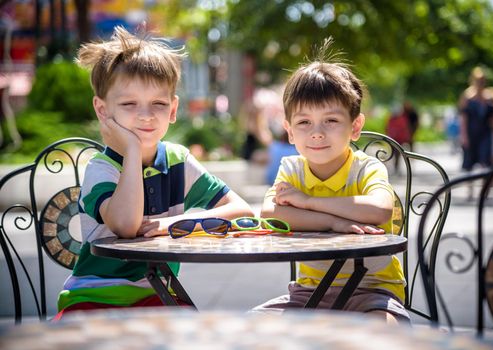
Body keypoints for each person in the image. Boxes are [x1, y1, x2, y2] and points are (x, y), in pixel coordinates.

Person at [55, 26, 254, 319]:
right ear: (102, 110)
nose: (146, 115)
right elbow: (125, 224)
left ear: (173, 109)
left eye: (158, 104)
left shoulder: (176, 160)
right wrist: (133, 151)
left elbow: (241, 210)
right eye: (129, 104)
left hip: (158, 293)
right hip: (95, 296)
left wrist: (171, 223)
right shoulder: (102, 168)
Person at [253, 39, 409, 324]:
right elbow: (271, 214)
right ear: (288, 131)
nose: (317, 133)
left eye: (331, 121)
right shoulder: (292, 168)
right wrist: (334, 223)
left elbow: (379, 210)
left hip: (372, 291)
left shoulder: (365, 168)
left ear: (356, 126)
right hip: (309, 293)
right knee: (247, 329)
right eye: (304, 123)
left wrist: (309, 202)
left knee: (380, 331)